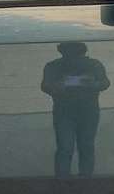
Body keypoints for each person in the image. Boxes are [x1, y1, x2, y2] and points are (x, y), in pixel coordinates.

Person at [40, 42, 110, 177]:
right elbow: (45, 86)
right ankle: (69, 179)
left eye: (76, 55)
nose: (73, 59)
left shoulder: (93, 64)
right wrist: (56, 87)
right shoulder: (54, 66)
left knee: (82, 146)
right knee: (70, 147)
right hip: (69, 111)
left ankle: (72, 179)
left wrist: (94, 84)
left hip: (83, 111)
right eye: (70, 55)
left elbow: (105, 82)